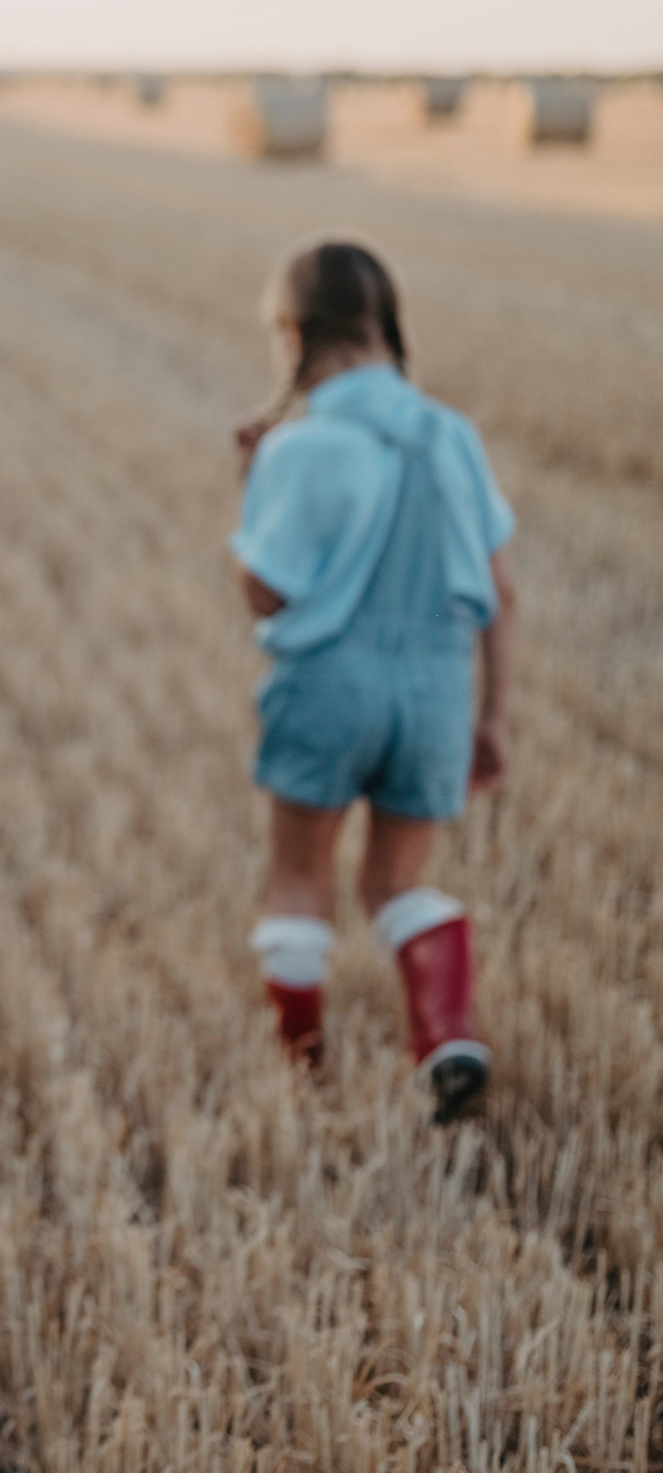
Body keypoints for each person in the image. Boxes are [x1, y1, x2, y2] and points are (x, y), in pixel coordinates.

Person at [229, 239, 516, 1123]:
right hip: (436, 690)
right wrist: (492, 712)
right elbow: (501, 591)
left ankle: (304, 1075)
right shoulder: (454, 437)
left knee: (299, 876)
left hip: (327, 689)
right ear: (385, 326)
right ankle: (445, 1034)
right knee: (395, 882)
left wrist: (251, 483)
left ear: (290, 333)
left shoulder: (302, 446)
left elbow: (266, 587)